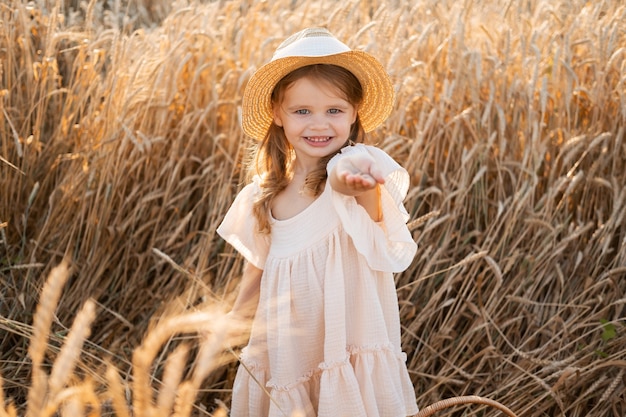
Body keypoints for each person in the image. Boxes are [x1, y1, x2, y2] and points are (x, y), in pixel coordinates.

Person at [217, 27, 418, 417]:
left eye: (334, 111)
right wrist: (231, 323)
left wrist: (352, 181)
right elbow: (256, 272)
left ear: (354, 112)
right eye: (302, 111)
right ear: (278, 113)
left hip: (347, 348)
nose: (319, 125)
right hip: (289, 355)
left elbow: (352, 179)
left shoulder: (353, 168)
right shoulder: (265, 198)